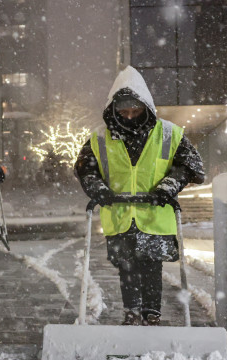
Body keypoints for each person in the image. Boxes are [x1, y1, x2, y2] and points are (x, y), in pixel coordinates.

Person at [74, 66, 204, 326]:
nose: (130, 116)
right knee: (127, 268)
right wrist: (98, 189)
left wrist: (168, 186)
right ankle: (132, 313)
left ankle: (151, 314)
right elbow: (85, 169)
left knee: (152, 268)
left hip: (155, 215)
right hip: (120, 215)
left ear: (146, 107)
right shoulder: (100, 138)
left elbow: (193, 168)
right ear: (113, 109)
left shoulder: (169, 133)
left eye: (136, 110)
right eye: (124, 111)